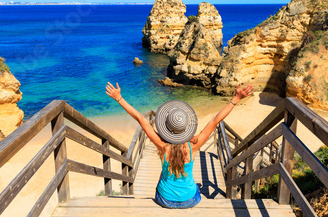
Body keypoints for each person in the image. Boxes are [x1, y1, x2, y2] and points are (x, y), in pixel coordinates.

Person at [105, 82, 254, 208]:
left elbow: (141, 119)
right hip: (189, 201)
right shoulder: (193, 146)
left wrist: (119, 98)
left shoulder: (162, 146)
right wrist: (236, 98)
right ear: (186, 128)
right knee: (195, 187)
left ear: (166, 127)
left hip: (165, 200)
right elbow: (215, 120)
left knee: (162, 179)